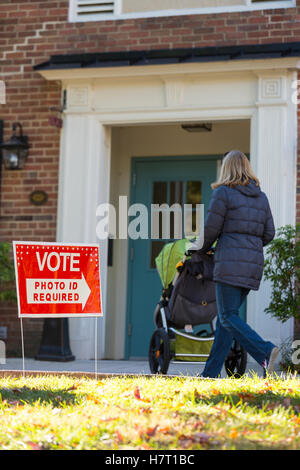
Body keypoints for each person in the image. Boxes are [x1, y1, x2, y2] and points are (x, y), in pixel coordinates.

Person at [196, 150, 278, 378]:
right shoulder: (260, 197)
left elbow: (211, 229)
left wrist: (198, 249)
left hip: (230, 266)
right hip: (251, 268)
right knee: (226, 321)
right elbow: (269, 233)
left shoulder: (223, 193)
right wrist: (249, 246)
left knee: (227, 317)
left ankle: (265, 351)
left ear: (226, 168)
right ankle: (210, 373)